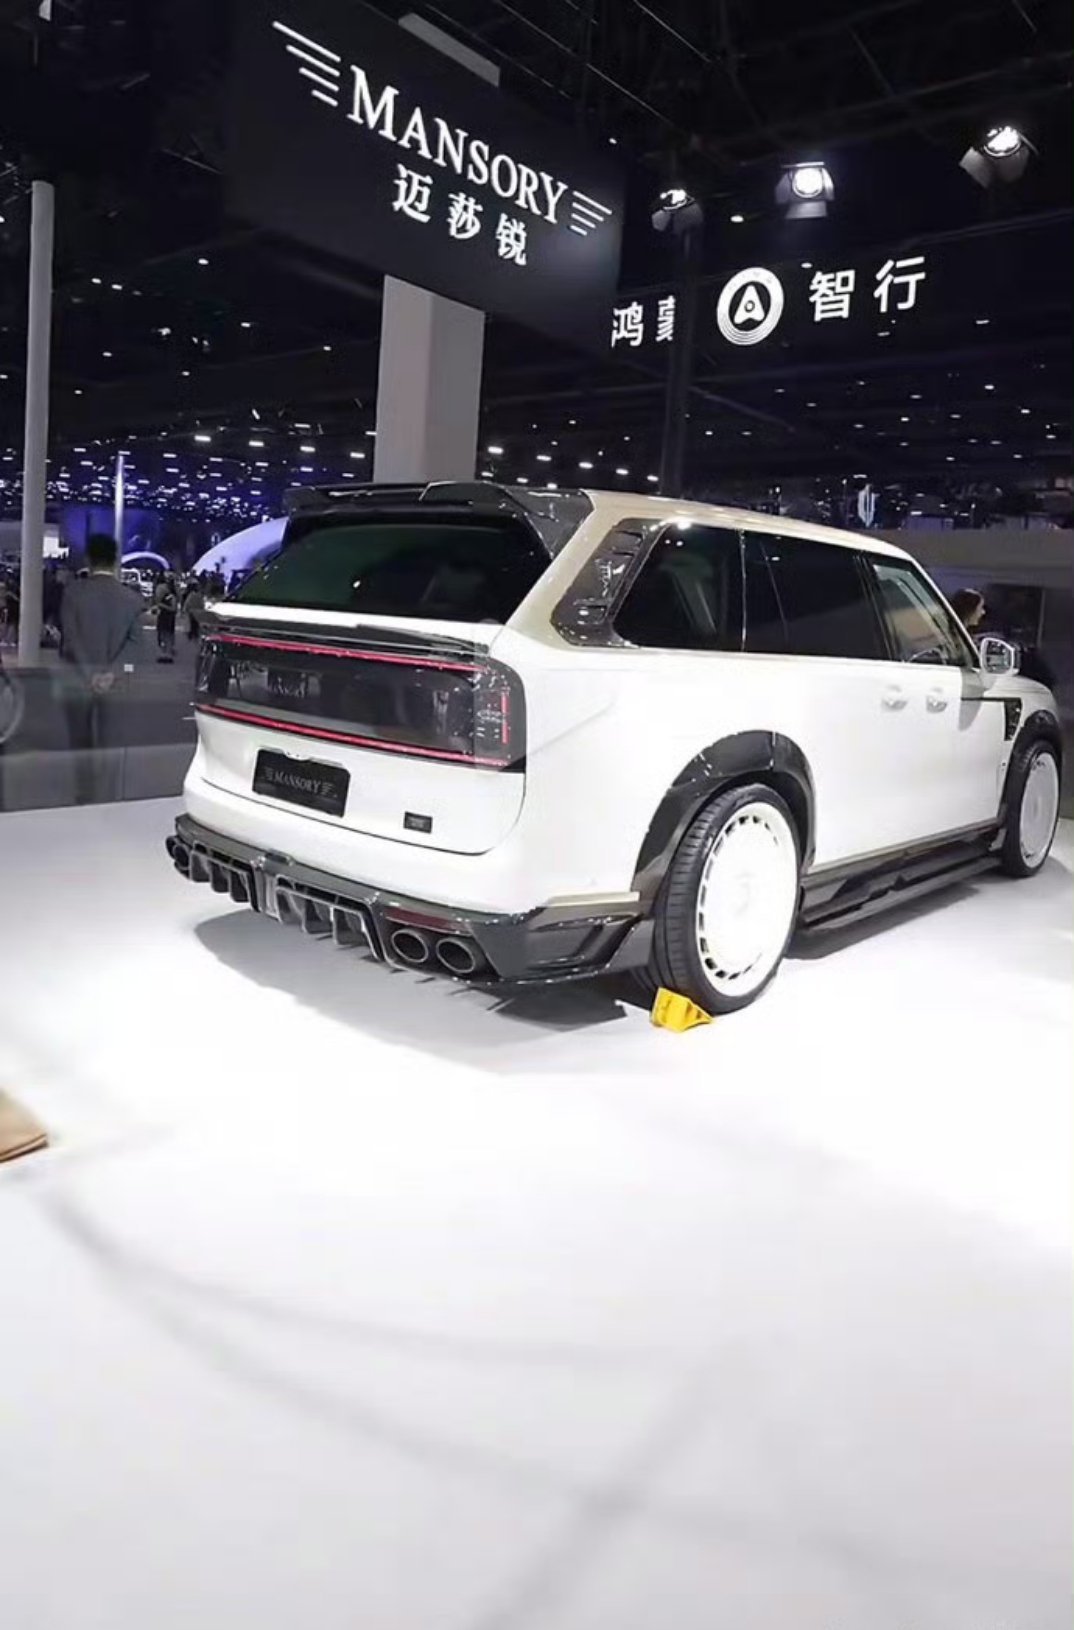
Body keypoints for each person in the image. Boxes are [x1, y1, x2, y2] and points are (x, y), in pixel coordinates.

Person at [59, 532, 142, 804]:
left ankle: (83, 795)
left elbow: (71, 639)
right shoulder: (131, 599)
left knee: (80, 741)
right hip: (116, 684)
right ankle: (108, 799)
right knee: (112, 742)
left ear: (88, 559)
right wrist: (112, 673)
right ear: (116, 559)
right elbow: (136, 646)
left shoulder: (73, 594)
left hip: (77, 679)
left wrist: (90, 673)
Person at [154, 573, 179, 662]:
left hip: (167, 616)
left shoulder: (171, 596)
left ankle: (167, 653)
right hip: (165, 616)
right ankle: (165, 652)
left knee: (166, 634)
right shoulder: (170, 594)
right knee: (164, 634)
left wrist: (161, 605)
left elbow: (173, 608)